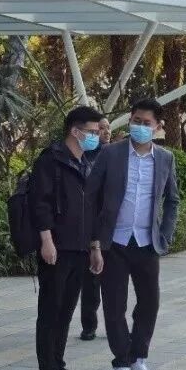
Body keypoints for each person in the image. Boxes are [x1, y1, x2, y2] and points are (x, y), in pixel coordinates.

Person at [89, 98, 179, 370]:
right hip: (113, 243)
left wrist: (165, 235)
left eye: (146, 123)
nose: (140, 126)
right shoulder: (110, 154)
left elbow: (173, 200)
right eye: (136, 121)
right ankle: (121, 362)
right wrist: (95, 243)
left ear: (158, 127)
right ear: (130, 120)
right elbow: (91, 197)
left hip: (146, 243)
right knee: (114, 305)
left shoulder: (165, 158)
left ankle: (139, 358)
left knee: (149, 303)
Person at [28, 105, 105, 370]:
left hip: (80, 248)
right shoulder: (50, 160)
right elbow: (40, 203)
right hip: (57, 247)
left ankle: (59, 367)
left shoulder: (86, 161)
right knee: (50, 311)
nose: (97, 136)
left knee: (66, 311)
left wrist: (95, 246)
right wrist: (46, 240)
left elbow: (92, 208)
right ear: (75, 131)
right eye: (92, 131)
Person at [79, 117, 112, 342]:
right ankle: (89, 325)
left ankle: (113, 324)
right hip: (90, 226)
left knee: (112, 283)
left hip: (111, 228)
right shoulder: (84, 156)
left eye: (108, 127)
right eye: (101, 128)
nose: (106, 131)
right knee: (90, 281)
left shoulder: (115, 155)